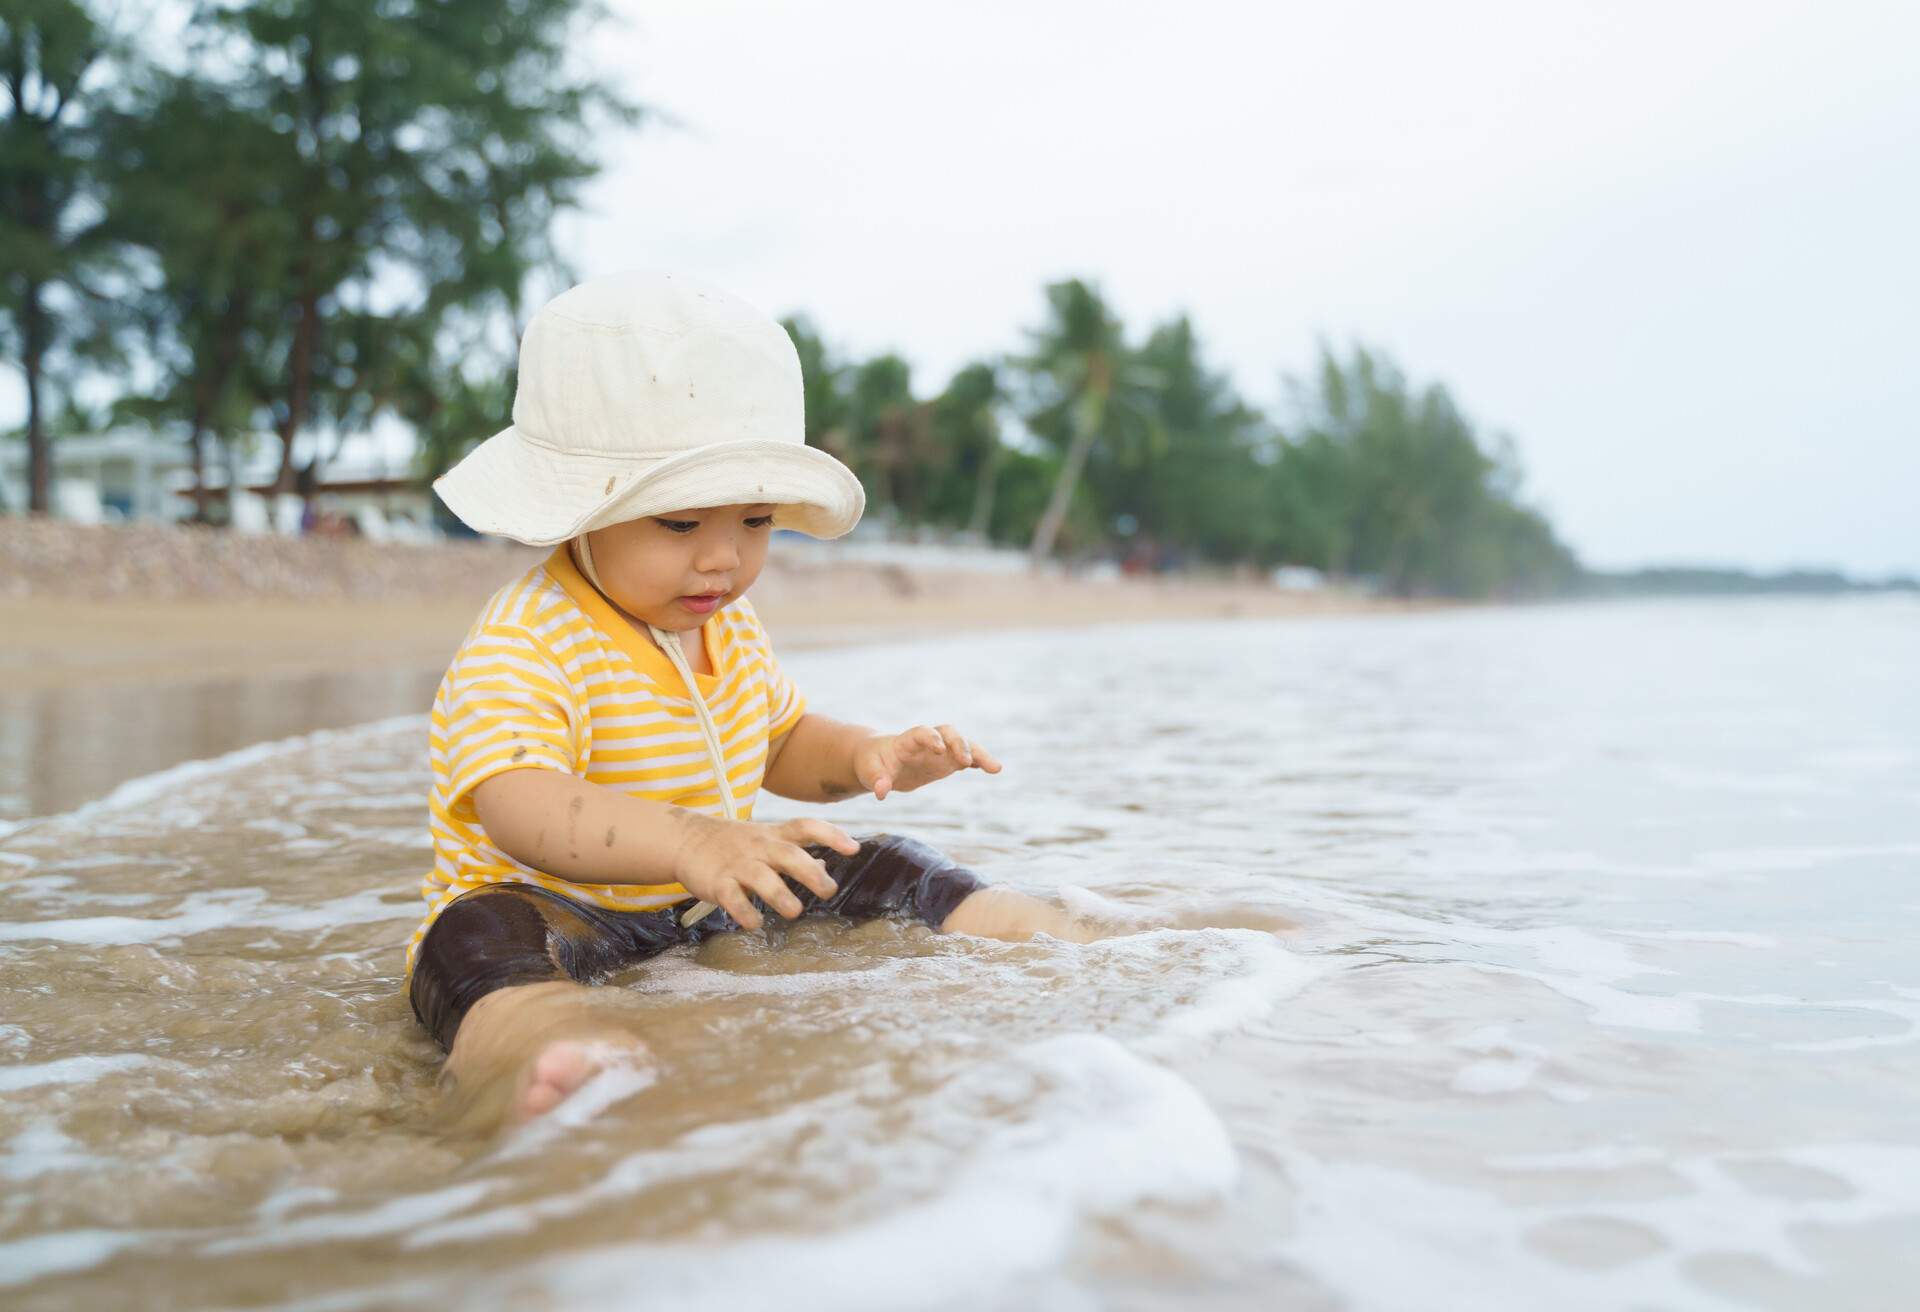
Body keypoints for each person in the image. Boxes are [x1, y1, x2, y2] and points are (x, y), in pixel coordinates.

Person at [410, 270, 1090, 1125]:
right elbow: (519, 803)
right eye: (682, 524)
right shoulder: (529, 638)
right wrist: (690, 840)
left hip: (702, 905)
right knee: (476, 941)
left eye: (756, 522)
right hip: (563, 913)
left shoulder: (726, 626)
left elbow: (777, 739)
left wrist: (863, 756)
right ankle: (541, 1048)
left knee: (871, 859)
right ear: (581, 510)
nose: (724, 560)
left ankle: (1049, 932)